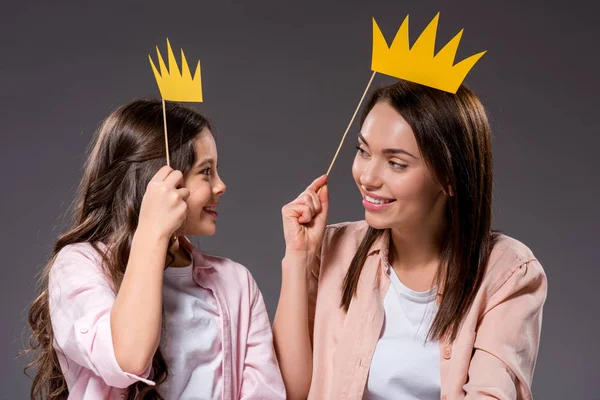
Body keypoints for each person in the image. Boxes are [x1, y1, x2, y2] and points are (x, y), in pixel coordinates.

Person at [274, 80, 547, 400]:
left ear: (450, 177)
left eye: (396, 163)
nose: (367, 177)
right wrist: (298, 258)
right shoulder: (336, 249)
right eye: (363, 151)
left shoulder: (508, 273)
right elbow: (289, 391)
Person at [26, 100, 286, 399]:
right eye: (205, 171)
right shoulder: (79, 265)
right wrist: (151, 232)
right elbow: (128, 358)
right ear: (159, 181)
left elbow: (265, 392)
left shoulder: (235, 281)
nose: (220, 185)